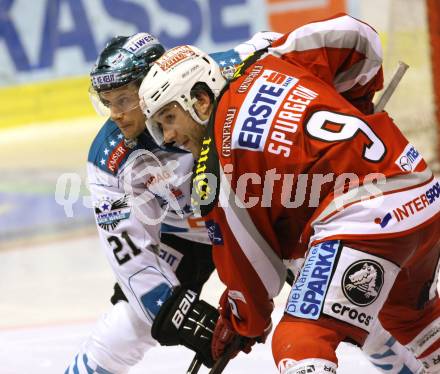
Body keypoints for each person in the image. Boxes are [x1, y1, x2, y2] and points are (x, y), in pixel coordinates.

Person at [139, 13, 440, 374]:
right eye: (158, 128)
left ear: (201, 99)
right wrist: (355, 103)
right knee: (411, 319)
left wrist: (240, 321)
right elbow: (356, 37)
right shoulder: (271, 60)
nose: (168, 137)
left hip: (366, 216)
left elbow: (255, 271)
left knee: (299, 340)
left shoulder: (213, 167)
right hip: (420, 190)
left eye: (169, 118)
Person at [65, 31, 281, 374]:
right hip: (185, 237)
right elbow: (133, 260)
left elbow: (282, 45)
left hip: (258, 213)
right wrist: (186, 319)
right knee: (125, 331)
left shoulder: (209, 76)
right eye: (108, 102)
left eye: (123, 99)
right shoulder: (108, 159)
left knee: (338, 303)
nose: (116, 115)